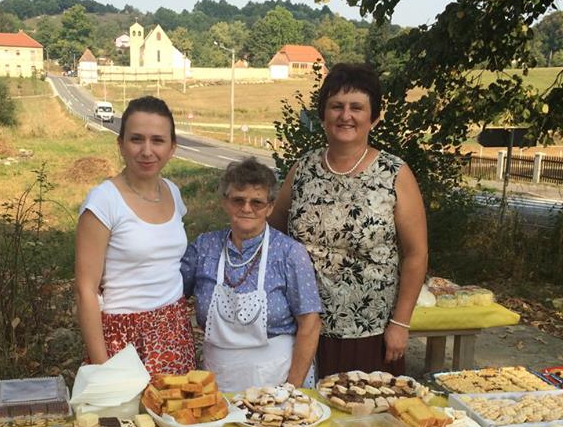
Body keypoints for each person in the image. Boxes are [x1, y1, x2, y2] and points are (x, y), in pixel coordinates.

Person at [270, 63, 428, 376]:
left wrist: (400, 322)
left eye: (356, 107)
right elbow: (273, 231)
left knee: (366, 419)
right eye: (336, 106)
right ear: (323, 115)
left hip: (369, 331)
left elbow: (416, 254)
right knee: (301, 417)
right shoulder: (303, 169)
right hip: (303, 325)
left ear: (375, 118)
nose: (345, 116)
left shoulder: (394, 174)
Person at [74, 96, 197, 376]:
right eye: (136, 139)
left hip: (173, 330)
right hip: (123, 337)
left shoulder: (173, 193)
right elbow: (85, 291)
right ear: (120, 143)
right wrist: (102, 368)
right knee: (129, 420)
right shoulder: (103, 202)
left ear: (172, 148)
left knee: (174, 416)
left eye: (157, 140)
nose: (146, 150)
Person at [181, 158, 322, 391]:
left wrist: (291, 390)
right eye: (238, 200)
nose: (247, 208)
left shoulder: (289, 253)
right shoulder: (204, 247)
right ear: (225, 203)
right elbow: (172, 296)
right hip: (216, 379)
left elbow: (310, 324)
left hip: (278, 378)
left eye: (257, 202)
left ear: (270, 207)